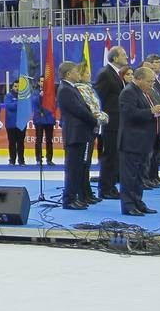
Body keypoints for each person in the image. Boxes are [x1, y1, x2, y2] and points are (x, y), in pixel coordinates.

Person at [119, 66, 160, 217]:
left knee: (140, 175)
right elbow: (129, 114)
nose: (151, 84)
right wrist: (151, 111)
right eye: (149, 81)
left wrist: (157, 109)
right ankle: (128, 205)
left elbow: (145, 111)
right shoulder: (128, 92)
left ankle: (138, 202)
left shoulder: (144, 92)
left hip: (144, 141)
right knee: (130, 176)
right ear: (139, 79)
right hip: (131, 142)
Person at [57, 61, 102, 209]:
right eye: (76, 72)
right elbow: (79, 110)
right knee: (73, 168)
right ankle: (69, 199)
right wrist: (95, 119)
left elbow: (84, 108)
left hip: (80, 133)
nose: (79, 74)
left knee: (78, 168)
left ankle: (75, 196)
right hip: (75, 134)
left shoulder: (71, 88)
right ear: (69, 74)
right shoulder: (65, 90)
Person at [93, 46, 127, 199]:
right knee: (110, 155)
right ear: (115, 58)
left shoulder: (116, 74)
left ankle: (111, 186)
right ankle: (105, 188)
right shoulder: (105, 74)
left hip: (118, 121)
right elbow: (99, 97)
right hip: (111, 121)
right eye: (124, 55)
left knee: (115, 156)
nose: (126, 57)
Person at [142, 54, 160, 188]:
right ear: (149, 64)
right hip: (152, 120)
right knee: (150, 151)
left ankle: (154, 175)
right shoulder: (149, 82)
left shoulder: (158, 81)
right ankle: (147, 177)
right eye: (157, 62)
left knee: (157, 150)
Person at [32, 83, 55, 166]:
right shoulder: (35, 92)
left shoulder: (51, 93)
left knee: (49, 140)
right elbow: (33, 104)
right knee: (39, 140)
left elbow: (53, 105)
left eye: (44, 82)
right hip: (39, 120)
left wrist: (45, 112)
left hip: (49, 120)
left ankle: (49, 159)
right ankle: (38, 158)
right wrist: (40, 96)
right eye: (41, 81)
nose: (42, 83)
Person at [3, 86, 26, 166]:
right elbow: (9, 106)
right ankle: (12, 160)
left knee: (21, 142)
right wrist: (19, 103)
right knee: (12, 142)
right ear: (12, 87)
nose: (17, 88)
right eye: (15, 86)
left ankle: (21, 160)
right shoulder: (8, 96)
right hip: (11, 124)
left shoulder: (24, 95)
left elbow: (26, 107)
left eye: (18, 86)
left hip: (21, 123)